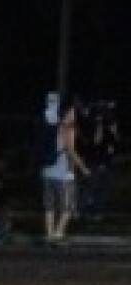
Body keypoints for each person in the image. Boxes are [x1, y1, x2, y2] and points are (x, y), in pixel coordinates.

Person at [41, 99, 88, 243]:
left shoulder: (52, 127)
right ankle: (58, 233)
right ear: (66, 114)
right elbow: (70, 151)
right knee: (68, 206)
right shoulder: (68, 129)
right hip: (63, 174)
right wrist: (83, 167)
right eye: (72, 113)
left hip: (47, 171)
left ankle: (49, 234)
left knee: (49, 206)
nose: (74, 115)